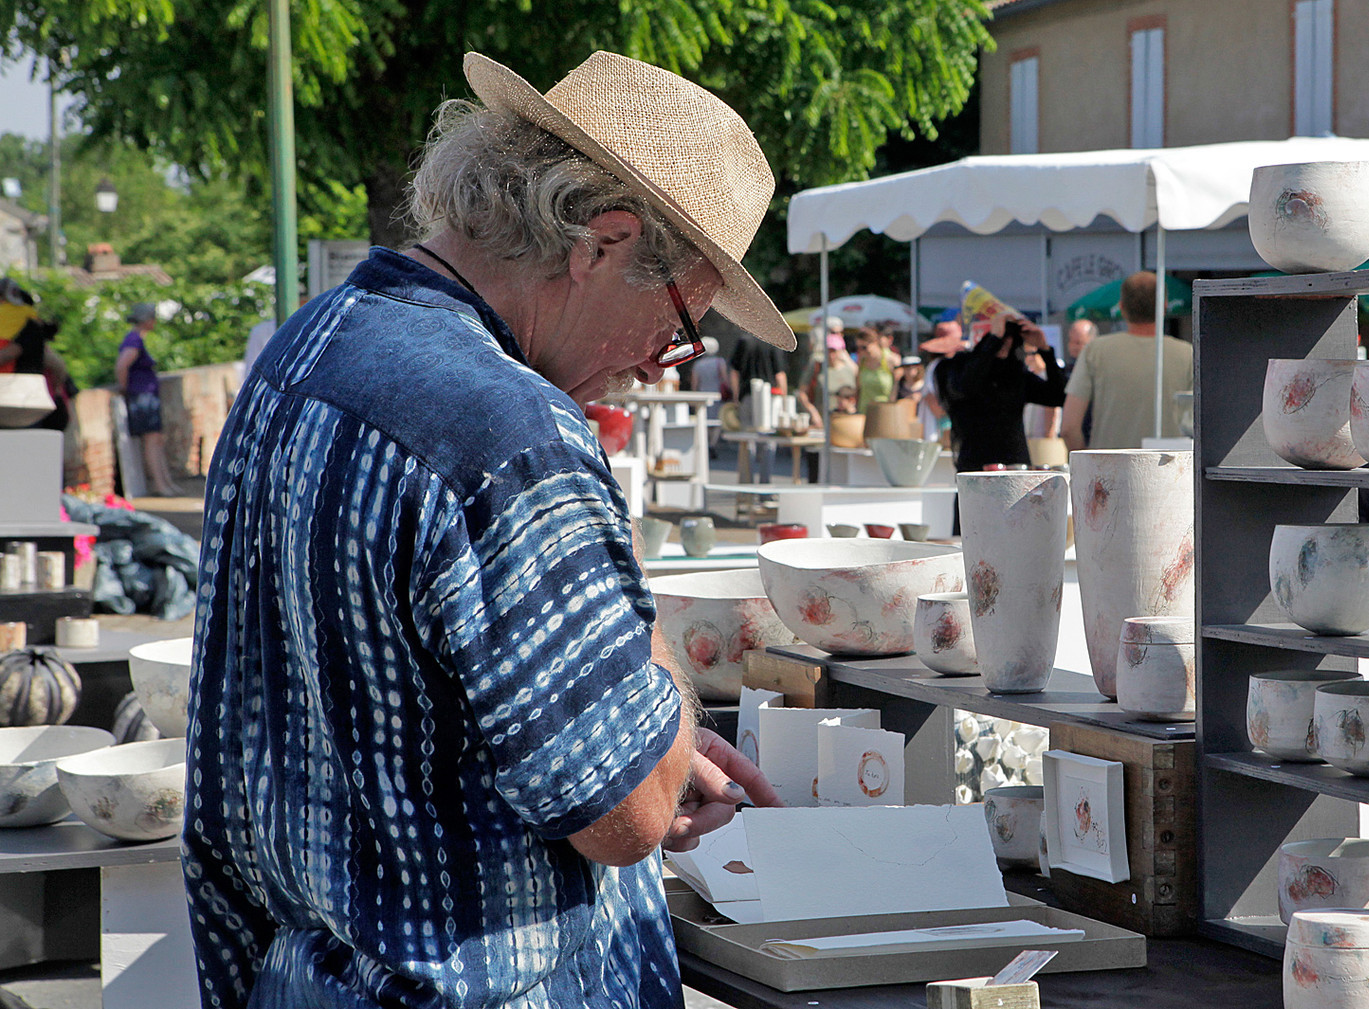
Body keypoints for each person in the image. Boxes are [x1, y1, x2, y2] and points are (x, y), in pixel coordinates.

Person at [184, 51, 792, 1009]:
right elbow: (625, 810)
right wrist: (656, 712)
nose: (659, 364)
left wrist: (638, 735)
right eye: (679, 322)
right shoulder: (510, 427)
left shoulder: (305, 347)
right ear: (603, 239)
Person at [1060, 272, 1192, 450]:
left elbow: (1069, 427)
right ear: (1165, 306)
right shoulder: (1187, 353)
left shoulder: (1095, 352)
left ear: (1122, 307)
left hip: (1110, 470)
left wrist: (1089, 468)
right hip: (1169, 469)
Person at [945, 310, 1067, 472]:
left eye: (1010, 337)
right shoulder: (962, 365)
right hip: (975, 465)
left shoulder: (1015, 373)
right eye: (1002, 337)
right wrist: (993, 340)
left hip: (1013, 465)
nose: (1005, 342)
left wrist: (1045, 350)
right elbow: (965, 386)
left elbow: (1057, 397)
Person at [115, 302, 180, 496]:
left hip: (147, 395)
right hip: (142, 396)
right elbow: (122, 366)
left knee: (157, 439)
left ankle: (166, 482)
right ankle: (160, 486)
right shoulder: (134, 339)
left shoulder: (137, 339)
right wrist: (126, 389)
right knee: (152, 440)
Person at [852, 326, 895, 414]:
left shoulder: (889, 359)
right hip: (864, 411)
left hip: (884, 412)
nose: (861, 351)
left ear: (874, 343)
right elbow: (858, 389)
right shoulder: (862, 362)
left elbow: (897, 385)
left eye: (864, 347)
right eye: (858, 347)